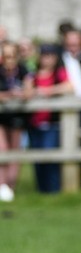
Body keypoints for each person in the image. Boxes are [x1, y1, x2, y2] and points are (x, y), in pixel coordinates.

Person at [27, 47, 73, 194]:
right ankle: (42, 190)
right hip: (35, 123)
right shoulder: (32, 76)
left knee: (50, 157)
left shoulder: (59, 74)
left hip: (52, 123)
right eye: (45, 56)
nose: (47, 60)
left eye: (51, 56)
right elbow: (26, 92)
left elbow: (69, 87)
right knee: (37, 159)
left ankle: (54, 190)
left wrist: (47, 91)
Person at [0, 41, 32, 201]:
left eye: (12, 56)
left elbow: (28, 91)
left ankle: (11, 187)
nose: (9, 60)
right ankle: (2, 185)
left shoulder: (23, 69)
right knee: (3, 149)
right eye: (6, 56)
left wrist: (19, 94)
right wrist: (8, 95)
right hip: (1, 116)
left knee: (15, 151)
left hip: (18, 116)